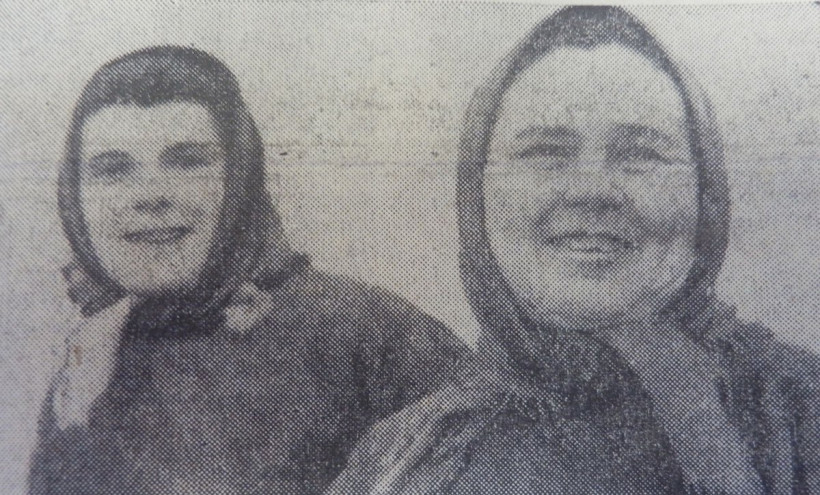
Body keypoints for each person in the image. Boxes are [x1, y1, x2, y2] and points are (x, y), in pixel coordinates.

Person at [328, 6, 820, 494]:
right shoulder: (400, 461)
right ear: (478, 194)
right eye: (545, 152)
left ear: (705, 192)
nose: (592, 191)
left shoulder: (800, 413)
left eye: (641, 153)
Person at [28, 45, 465, 495]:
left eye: (188, 162)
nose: (149, 196)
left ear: (240, 178)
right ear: (75, 195)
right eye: (112, 170)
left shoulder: (367, 332)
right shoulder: (91, 364)